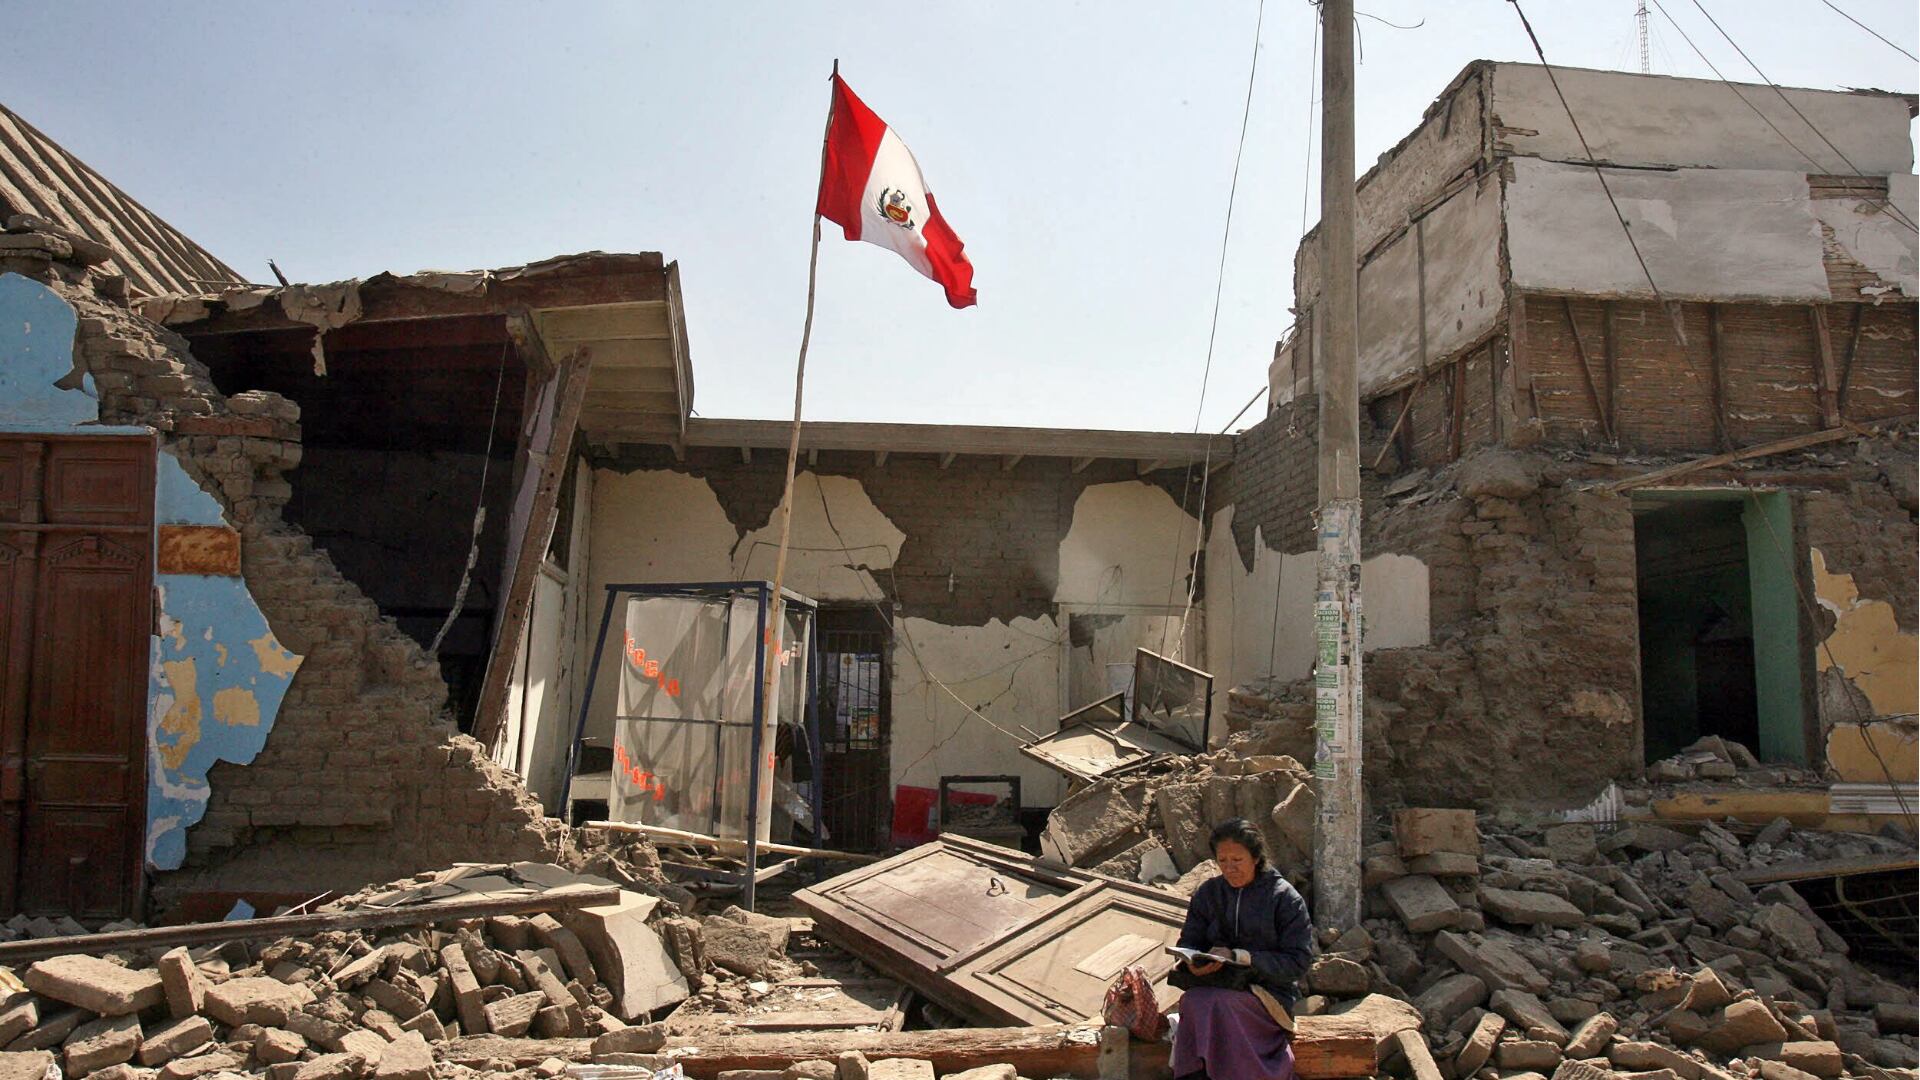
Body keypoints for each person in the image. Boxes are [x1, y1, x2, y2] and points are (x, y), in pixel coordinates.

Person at [1167, 818, 1314, 1080]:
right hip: (1216, 983)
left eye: (1237, 860)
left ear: (1255, 858)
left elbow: (1298, 961)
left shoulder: (1284, 898)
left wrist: (1241, 957)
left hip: (1269, 992)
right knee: (1193, 1000)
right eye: (1222, 861)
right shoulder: (1209, 893)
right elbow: (1189, 941)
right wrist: (1193, 963)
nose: (1230, 868)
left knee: (1221, 1004)